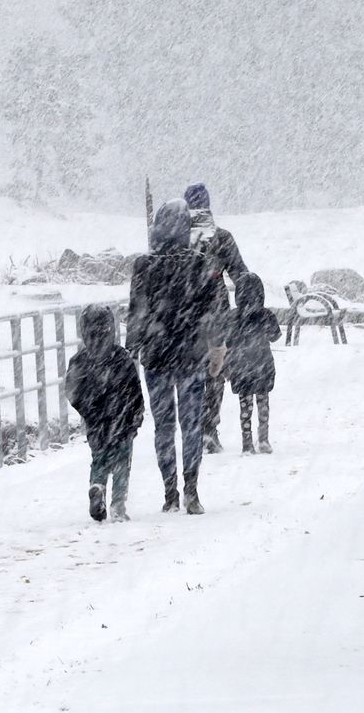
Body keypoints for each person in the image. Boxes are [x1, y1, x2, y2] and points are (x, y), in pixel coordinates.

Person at [127, 198, 222, 514]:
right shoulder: (201, 264)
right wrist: (216, 347)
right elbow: (213, 311)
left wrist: (131, 350)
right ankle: (191, 491)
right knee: (191, 425)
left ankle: (169, 493)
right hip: (191, 355)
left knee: (164, 427)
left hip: (156, 357)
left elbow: (136, 312)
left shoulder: (144, 266)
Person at [183, 183, 250, 455]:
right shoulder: (223, 238)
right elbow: (241, 275)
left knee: (190, 373)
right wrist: (247, 310)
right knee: (215, 372)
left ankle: (194, 429)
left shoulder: (177, 240)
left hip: (184, 316)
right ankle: (209, 428)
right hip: (216, 315)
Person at [65, 305, 145, 521]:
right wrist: (137, 413)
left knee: (99, 457)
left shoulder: (79, 361)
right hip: (122, 419)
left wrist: (88, 410)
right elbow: (134, 388)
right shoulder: (121, 358)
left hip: (95, 421)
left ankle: (97, 485)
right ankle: (118, 504)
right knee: (122, 462)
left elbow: (72, 391)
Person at [226, 271, 281, 454]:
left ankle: (247, 441)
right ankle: (263, 438)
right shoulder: (266, 315)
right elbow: (275, 336)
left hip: (241, 366)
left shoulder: (233, 317)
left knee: (245, 404)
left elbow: (227, 340)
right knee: (263, 401)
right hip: (262, 363)